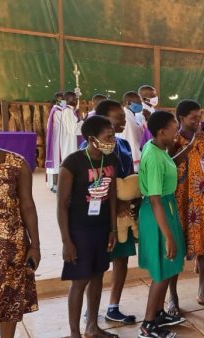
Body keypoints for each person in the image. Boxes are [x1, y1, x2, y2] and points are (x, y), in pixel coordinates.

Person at [0, 107, 40, 338]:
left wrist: (35, 244)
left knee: (9, 302)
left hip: (10, 247)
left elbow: (27, 205)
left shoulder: (17, 163)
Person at [57, 116, 118, 338]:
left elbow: (112, 194)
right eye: (108, 136)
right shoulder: (73, 163)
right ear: (92, 139)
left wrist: (112, 228)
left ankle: (92, 326)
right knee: (80, 280)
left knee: (98, 275)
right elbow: (62, 204)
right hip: (79, 229)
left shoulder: (111, 160)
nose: (112, 140)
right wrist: (66, 241)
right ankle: (75, 333)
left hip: (101, 227)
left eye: (113, 135)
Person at [169, 99, 204, 313]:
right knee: (177, 251)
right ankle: (172, 298)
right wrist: (188, 145)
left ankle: (202, 292)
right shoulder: (175, 138)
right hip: (183, 203)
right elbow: (170, 163)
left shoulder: (202, 137)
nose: (197, 121)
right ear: (181, 118)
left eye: (199, 116)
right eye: (193, 118)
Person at [87, 100, 138, 324]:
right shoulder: (88, 149)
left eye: (123, 117)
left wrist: (131, 198)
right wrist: (115, 202)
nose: (123, 120)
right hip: (99, 215)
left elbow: (130, 176)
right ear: (103, 120)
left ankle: (113, 306)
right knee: (96, 264)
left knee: (122, 259)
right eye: (118, 117)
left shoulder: (124, 144)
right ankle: (91, 309)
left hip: (123, 215)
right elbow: (89, 185)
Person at [137, 111, 187, 338]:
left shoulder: (157, 148)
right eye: (174, 129)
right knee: (161, 270)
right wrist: (167, 236)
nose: (176, 134)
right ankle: (148, 325)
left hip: (166, 209)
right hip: (159, 213)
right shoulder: (155, 156)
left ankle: (158, 313)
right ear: (161, 132)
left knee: (167, 269)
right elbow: (155, 199)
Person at [45, 91, 82, 192]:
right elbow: (72, 128)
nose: (75, 100)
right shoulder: (58, 110)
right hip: (60, 137)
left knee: (64, 160)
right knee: (61, 160)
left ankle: (62, 184)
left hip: (66, 137)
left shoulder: (65, 110)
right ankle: (58, 185)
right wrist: (81, 120)